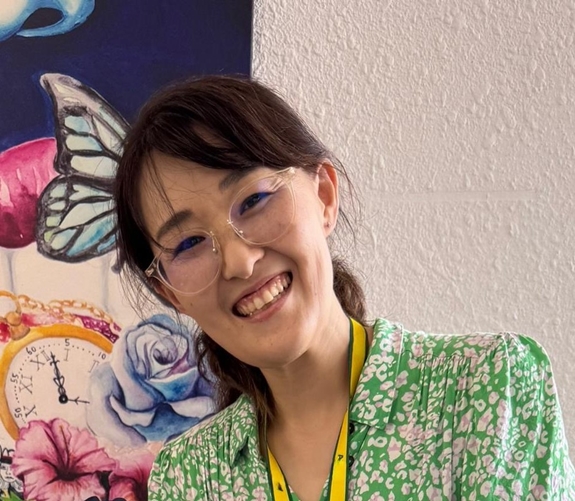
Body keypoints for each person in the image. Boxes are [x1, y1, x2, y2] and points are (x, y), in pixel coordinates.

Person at [113, 75, 575, 500]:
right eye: (189, 243)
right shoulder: (188, 476)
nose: (239, 261)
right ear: (170, 293)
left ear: (324, 196)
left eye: (254, 200)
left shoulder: (485, 387)